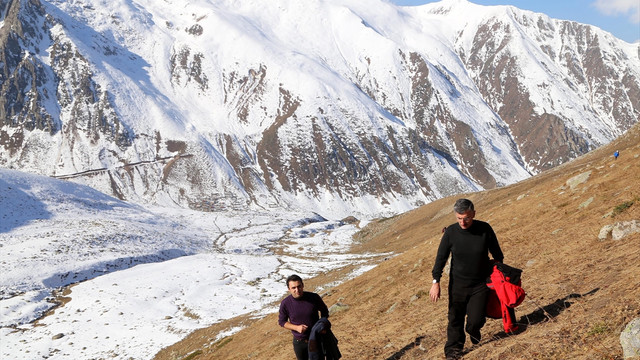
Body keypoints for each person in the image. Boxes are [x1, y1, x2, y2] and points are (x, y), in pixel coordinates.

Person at [429, 199, 504, 360]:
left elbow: (498, 254)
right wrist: (436, 282)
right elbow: (440, 258)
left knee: (475, 320)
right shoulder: (451, 233)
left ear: (474, 214)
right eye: (459, 218)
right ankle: (453, 350)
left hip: (481, 284)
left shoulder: (485, 229)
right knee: (455, 318)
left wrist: (498, 272)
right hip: (458, 285)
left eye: (467, 218)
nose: (463, 222)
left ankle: (473, 330)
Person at [279, 274, 329, 360]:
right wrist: (296, 328)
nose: (297, 290)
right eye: (293, 288)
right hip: (299, 342)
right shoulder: (285, 303)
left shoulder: (313, 297)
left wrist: (322, 325)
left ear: (303, 285)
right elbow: (282, 322)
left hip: (316, 339)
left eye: (299, 286)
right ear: (289, 289)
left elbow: (324, 311)